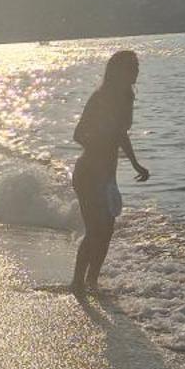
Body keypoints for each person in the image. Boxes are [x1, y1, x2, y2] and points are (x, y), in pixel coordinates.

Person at [69, 49, 150, 296]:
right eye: (132, 68)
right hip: (88, 174)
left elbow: (120, 134)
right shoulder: (100, 98)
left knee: (107, 231)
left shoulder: (125, 98)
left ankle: (92, 282)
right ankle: (77, 283)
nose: (136, 72)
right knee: (96, 230)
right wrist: (99, 150)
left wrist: (136, 163)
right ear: (118, 72)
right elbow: (78, 134)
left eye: (136, 67)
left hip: (107, 176)